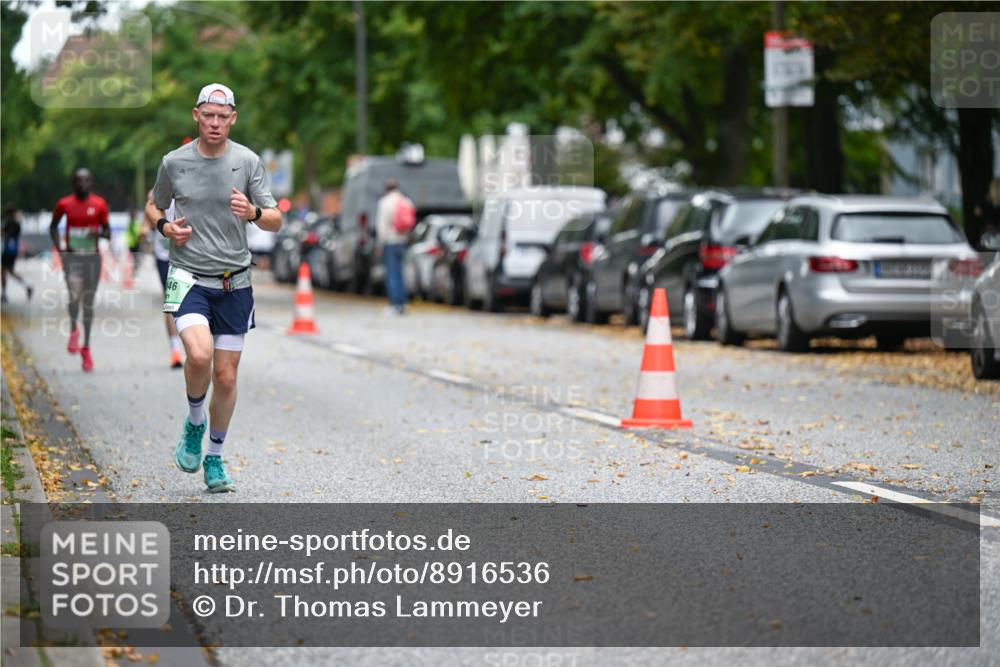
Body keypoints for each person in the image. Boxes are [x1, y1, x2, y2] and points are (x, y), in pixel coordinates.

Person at [145, 83, 281, 493]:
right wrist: (164, 226)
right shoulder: (174, 163)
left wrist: (253, 212)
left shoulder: (247, 161)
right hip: (186, 276)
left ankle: (215, 458)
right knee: (200, 354)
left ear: (233, 119)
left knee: (225, 376)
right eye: (209, 115)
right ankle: (194, 422)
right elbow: (153, 204)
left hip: (234, 281)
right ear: (196, 115)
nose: (216, 123)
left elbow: (275, 219)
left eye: (223, 117)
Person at [49, 168, 110, 372]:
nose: (82, 184)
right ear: (73, 183)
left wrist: (98, 233)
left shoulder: (99, 204)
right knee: (75, 297)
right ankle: (74, 329)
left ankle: (86, 347)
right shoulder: (64, 204)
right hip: (73, 259)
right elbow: (53, 227)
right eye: (78, 181)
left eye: (86, 180)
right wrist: (61, 250)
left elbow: (108, 233)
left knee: (88, 305)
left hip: (92, 259)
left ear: (91, 183)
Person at [145, 190, 183, 368]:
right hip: (164, 256)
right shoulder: (157, 192)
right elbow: (148, 217)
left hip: (189, 256)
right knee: (171, 300)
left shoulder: (195, 184)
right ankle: (176, 350)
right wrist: (146, 229)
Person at [375, 178, 413, 314]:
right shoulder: (406, 201)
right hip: (402, 241)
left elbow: (382, 226)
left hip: (390, 242)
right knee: (401, 273)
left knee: (392, 274)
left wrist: (380, 243)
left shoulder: (384, 203)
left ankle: (394, 304)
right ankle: (403, 303)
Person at [1, 204, 33, 304]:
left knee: (4, 272)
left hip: (8, 251)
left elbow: (5, 236)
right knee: (9, 271)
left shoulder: (10, 224)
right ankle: (26, 286)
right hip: (12, 251)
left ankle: (4, 294)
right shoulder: (16, 224)